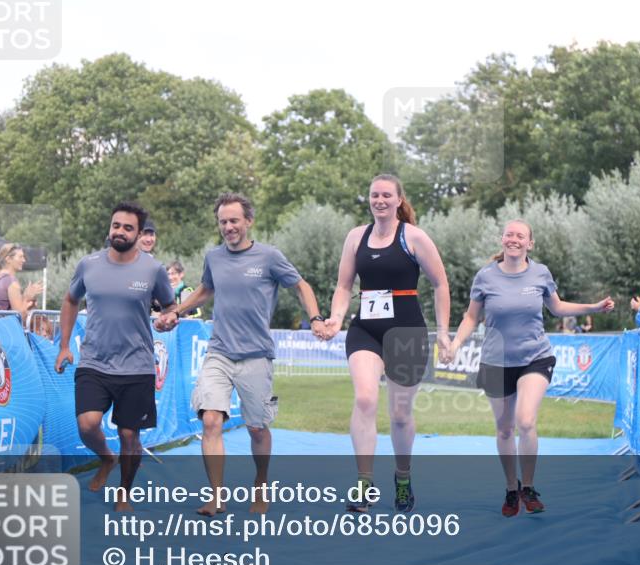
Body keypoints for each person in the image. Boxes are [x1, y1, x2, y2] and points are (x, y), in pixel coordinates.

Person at [154, 193, 326, 516]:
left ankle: (260, 485)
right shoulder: (214, 257)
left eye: (234, 220)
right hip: (219, 351)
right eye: (223, 222)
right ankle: (216, 496)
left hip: (256, 355)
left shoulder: (270, 257)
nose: (228, 227)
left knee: (257, 428)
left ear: (248, 221)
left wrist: (315, 318)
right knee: (210, 420)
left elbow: (301, 286)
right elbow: (206, 289)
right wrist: (176, 312)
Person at [442, 220, 614, 516]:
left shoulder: (540, 273)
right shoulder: (485, 277)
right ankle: (511, 488)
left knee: (525, 421)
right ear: (502, 240)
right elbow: (471, 318)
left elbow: (557, 308)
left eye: (520, 236)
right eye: (509, 234)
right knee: (505, 429)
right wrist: (456, 344)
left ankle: (529, 487)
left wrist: (594, 308)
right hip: (496, 362)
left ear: (529, 244)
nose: (514, 239)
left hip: (535, 357)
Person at [321, 174, 451, 513]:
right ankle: (364, 482)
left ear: (398, 200)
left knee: (399, 413)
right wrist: (336, 317)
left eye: (386, 195)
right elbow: (344, 286)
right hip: (366, 330)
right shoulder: (355, 237)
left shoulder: (414, 237)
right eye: (374, 195)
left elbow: (440, 284)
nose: (379, 200)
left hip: (407, 331)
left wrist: (445, 331)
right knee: (365, 398)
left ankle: (403, 476)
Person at [54, 202, 176, 511]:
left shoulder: (153, 269)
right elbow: (70, 300)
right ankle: (107, 458)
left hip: (136, 365)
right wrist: (65, 346)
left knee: (128, 434)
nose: (120, 231)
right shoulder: (89, 264)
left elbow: (170, 306)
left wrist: (169, 317)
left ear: (139, 234)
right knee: (87, 425)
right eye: (116, 225)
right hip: (94, 361)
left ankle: (124, 491)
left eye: (128, 228)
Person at [0, 243, 44, 318]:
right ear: (8, 259)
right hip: (9, 327)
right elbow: (19, 315)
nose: (24, 260)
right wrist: (27, 297)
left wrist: (25, 296)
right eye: (20, 257)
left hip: (0, 325)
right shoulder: (11, 282)